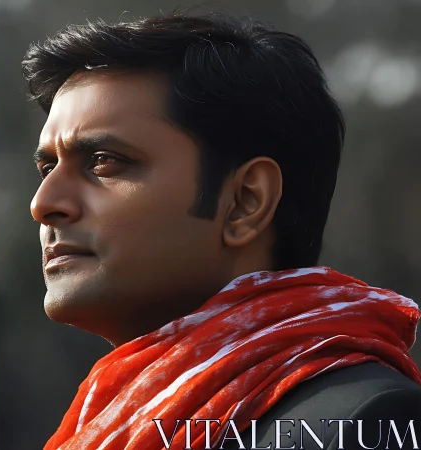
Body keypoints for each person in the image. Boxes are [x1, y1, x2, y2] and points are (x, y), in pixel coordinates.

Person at [21, 12, 421, 450]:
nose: (43, 204)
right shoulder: (100, 425)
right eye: (46, 168)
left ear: (245, 202)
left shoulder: (363, 420)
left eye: (103, 161)